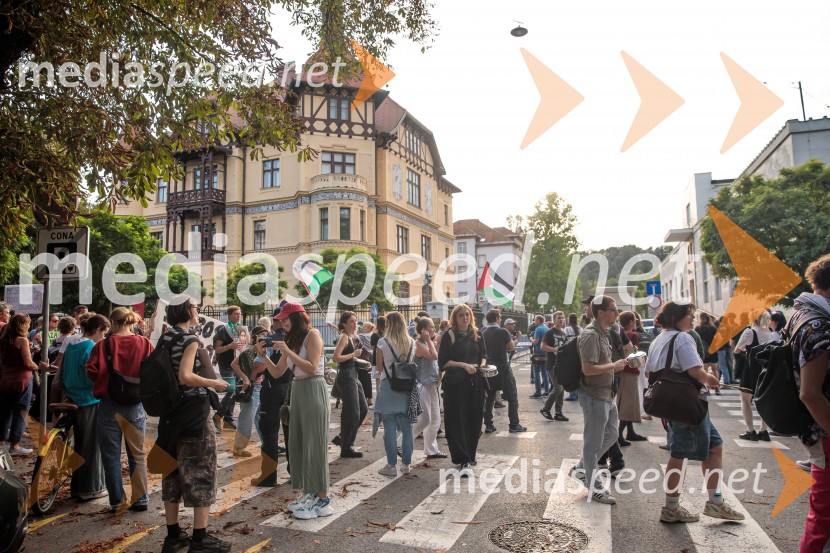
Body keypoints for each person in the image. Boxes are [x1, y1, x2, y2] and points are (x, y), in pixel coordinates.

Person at [646, 301, 744, 524]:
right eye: (688, 315)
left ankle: (714, 501)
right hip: (686, 402)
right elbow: (694, 370)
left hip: (674, 401)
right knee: (678, 453)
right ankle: (672, 507)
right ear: (675, 318)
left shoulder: (659, 339)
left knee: (714, 446)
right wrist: (711, 379)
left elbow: (651, 370)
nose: (692, 318)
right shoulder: (682, 338)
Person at [155, 298, 231, 553]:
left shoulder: (165, 338)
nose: (198, 312)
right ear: (188, 311)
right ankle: (200, 539)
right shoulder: (190, 340)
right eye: (196, 308)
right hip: (193, 416)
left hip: (169, 416)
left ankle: (173, 536)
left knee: (172, 474)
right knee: (202, 473)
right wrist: (215, 384)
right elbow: (185, 376)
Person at [264, 303, 333, 520]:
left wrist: (286, 351)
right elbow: (276, 373)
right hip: (299, 389)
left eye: (286, 320)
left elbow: (312, 367)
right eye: (281, 321)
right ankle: (309, 493)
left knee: (314, 444)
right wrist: (263, 355)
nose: (283, 324)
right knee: (300, 444)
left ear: (296, 318)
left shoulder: (313, 335)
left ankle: (321, 498)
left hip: (313, 387)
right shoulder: (291, 341)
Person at [86, 307, 153, 512]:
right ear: (130, 322)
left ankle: (117, 500)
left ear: (113, 323)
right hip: (135, 404)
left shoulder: (103, 345)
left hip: (108, 404)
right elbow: (152, 370)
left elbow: (91, 371)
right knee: (137, 454)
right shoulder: (144, 343)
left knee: (111, 455)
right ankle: (140, 499)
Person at [788, 254, 830, 552]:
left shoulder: (803, 315)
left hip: (818, 431)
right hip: (825, 432)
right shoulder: (818, 325)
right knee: (824, 520)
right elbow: (810, 392)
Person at [570, 296, 627, 505]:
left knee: (612, 434)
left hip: (606, 394)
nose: (616, 313)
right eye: (613, 310)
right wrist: (614, 366)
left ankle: (581, 469)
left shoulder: (605, 333)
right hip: (594, 395)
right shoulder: (591, 335)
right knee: (592, 444)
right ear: (600, 312)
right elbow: (588, 369)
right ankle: (594, 487)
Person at [57, 314, 109, 500]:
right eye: (104, 333)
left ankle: (78, 487)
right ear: (97, 330)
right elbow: (91, 375)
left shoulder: (71, 345)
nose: (104, 337)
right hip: (89, 400)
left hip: (72, 397)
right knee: (91, 447)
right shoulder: (90, 347)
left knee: (81, 445)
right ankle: (91, 488)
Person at [438, 304, 486, 476]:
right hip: (455, 383)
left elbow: (484, 357)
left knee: (474, 419)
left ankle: (470, 454)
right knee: (457, 420)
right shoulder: (449, 335)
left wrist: (480, 366)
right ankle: (463, 458)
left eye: (467, 315)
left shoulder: (477, 334)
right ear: (455, 318)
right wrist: (464, 365)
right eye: (461, 315)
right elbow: (443, 363)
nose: (465, 318)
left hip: (476, 381)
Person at [374, 312, 418, 476]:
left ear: (389, 324)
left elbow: (379, 367)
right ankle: (406, 465)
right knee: (407, 429)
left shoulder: (383, 342)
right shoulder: (411, 341)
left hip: (388, 387)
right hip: (407, 388)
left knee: (389, 429)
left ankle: (391, 466)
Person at [251, 308, 291, 487]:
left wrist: (258, 352)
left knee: (269, 434)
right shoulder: (295, 338)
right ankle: (295, 472)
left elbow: (259, 368)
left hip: (272, 388)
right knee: (291, 433)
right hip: (291, 388)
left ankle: (268, 476)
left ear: (275, 321)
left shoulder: (268, 340)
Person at [331, 311, 368, 458]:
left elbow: (349, 359)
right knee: (352, 412)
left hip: (353, 374)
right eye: (352, 321)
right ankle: (346, 446)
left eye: (356, 321)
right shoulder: (344, 337)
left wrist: (362, 364)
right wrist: (354, 355)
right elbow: (336, 358)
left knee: (363, 409)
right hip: (346, 376)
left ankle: (343, 437)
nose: (355, 324)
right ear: (344, 324)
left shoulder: (350, 337)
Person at [0, 314, 37, 455]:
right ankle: (15, 444)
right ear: (22, 325)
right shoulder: (22, 340)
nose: (29, 326)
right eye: (27, 323)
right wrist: (38, 367)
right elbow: (28, 363)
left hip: (6, 378)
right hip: (22, 379)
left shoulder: (4, 340)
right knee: (21, 412)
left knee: (5, 412)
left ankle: (1, 442)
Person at [482, 309, 524, 433]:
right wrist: (514, 340)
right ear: (497, 318)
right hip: (502, 366)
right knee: (512, 395)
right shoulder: (502, 331)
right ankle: (514, 424)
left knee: (490, 396)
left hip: (488, 366)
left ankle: (489, 424)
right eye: (500, 317)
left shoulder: (483, 332)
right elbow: (512, 347)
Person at [735, 310, 774, 441]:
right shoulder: (770, 334)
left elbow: (737, 349)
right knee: (764, 402)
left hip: (751, 369)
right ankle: (763, 431)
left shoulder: (750, 332)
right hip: (766, 370)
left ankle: (750, 430)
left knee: (745, 400)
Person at [229, 325, 267, 457]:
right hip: (251, 388)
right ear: (256, 338)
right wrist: (245, 378)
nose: (265, 339)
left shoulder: (265, 351)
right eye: (262, 336)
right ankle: (239, 448)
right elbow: (234, 364)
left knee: (260, 418)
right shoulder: (249, 352)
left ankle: (267, 444)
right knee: (247, 418)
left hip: (260, 388)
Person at [412, 317, 447, 459]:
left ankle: (431, 450)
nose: (434, 329)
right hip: (422, 385)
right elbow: (433, 356)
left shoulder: (429, 342)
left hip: (432, 384)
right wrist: (428, 340)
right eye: (432, 327)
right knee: (425, 419)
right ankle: (401, 442)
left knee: (435, 419)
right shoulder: (418, 343)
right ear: (423, 330)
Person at [616, 311, 646, 442]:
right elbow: (634, 354)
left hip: (620, 370)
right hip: (630, 370)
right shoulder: (633, 335)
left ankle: (630, 431)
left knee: (627, 402)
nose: (636, 321)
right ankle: (619, 435)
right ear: (630, 322)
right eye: (634, 319)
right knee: (628, 403)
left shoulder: (618, 333)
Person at [213, 305, 242, 431]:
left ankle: (228, 419)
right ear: (229, 315)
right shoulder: (223, 330)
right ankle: (218, 415)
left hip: (237, 364)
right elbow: (217, 349)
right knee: (231, 390)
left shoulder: (240, 329)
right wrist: (229, 346)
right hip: (226, 364)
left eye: (239, 314)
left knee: (236, 391)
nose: (238, 316)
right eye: (236, 314)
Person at [540, 311, 569, 423]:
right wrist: (555, 349)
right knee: (558, 388)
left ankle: (558, 412)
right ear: (554, 319)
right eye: (559, 318)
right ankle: (545, 409)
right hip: (552, 364)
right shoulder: (550, 332)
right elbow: (543, 346)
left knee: (561, 389)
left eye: (562, 318)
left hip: (561, 365)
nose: (561, 319)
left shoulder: (563, 333)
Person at [695, 313, 720, 394]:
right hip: (712, 351)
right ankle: (717, 388)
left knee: (705, 371)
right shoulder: (713, 328)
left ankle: (706, 388)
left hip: (703, 352)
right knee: (715, 369)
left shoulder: (698, 329)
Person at [530, 315, 550, 398]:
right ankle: (546, 391)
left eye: (535, 320)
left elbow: (535, 342)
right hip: (546, 353)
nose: (534, 322)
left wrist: (531, 338)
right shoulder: (546, 328)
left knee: (536, 372)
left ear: (538, 320)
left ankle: (538, 392)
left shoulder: (538, 329)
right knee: (545, 372)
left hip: (538, 353)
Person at [564, 313, 582, 401]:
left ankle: (572, 394)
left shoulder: (567, 329)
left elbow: (564, 341)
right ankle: (578, 393)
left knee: (571, 375)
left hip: (570, 353)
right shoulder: (580, 329)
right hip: (579, 353)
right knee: (578, 374)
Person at [356, 321, 375, 407]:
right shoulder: (370, 335)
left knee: (363, 378)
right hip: (368, 357)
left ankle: (365, 398)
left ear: (368, 327)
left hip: (364, 357)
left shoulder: (366, 335)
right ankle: (369, 398)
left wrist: (356, 330)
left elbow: (355, 337)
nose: (362, 328)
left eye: (364, 326)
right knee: (367, 378)